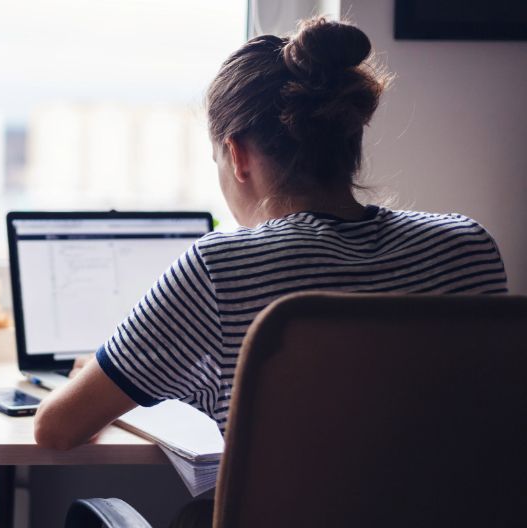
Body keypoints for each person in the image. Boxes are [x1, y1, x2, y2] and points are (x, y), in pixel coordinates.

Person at [33, 17, 508, 451]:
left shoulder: (220, 268)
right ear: (350, 138)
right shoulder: (467, 247)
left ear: (236, 155)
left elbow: (56, 428)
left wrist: (100, 378)